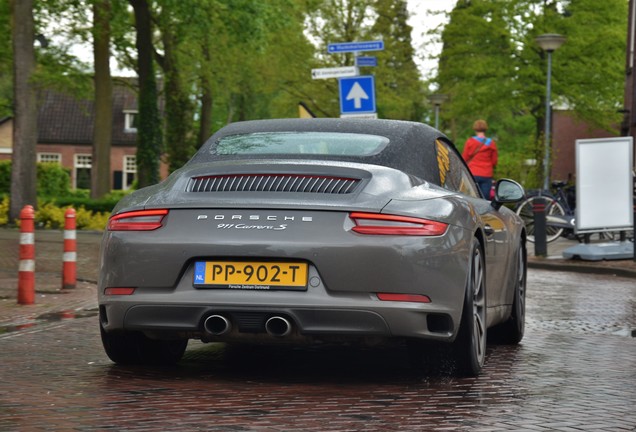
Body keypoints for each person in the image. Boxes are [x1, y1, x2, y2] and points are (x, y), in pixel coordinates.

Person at [462, 119, 498, 199]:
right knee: (484, 199)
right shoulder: (491, 143)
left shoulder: (470, 142)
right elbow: (494, 161)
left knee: (472, 198)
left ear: (475, 128)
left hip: (472, 173)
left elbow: (464, 158)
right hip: (486, 174)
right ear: (485, 128)